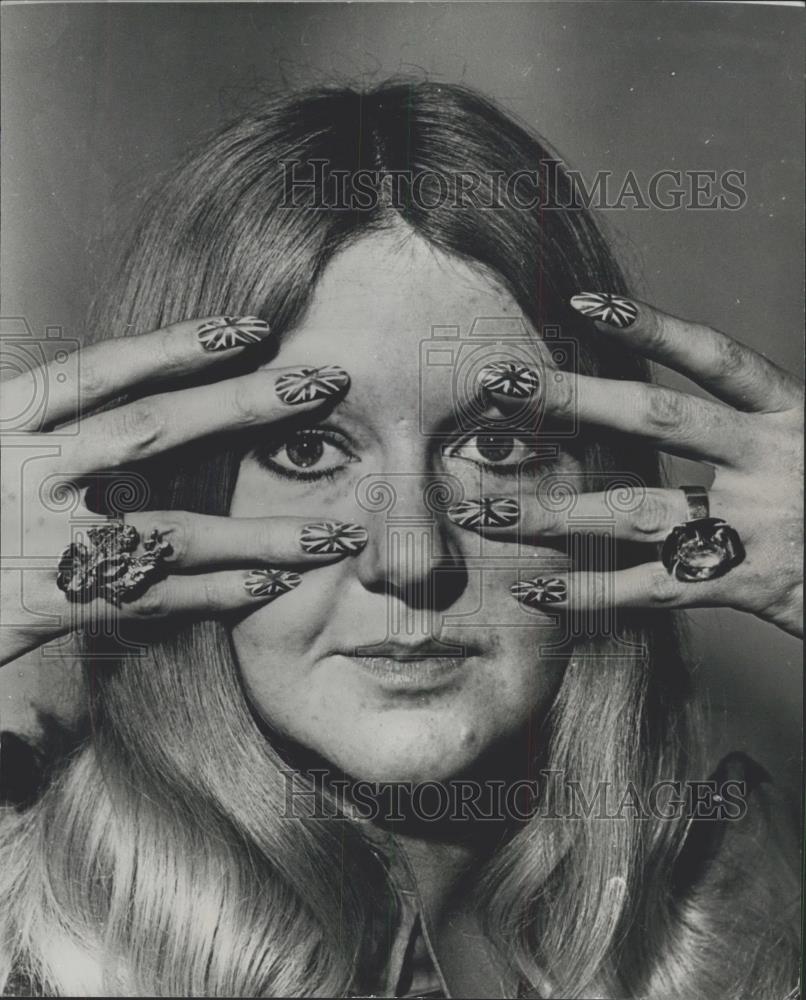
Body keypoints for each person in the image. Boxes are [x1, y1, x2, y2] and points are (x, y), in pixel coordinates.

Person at [0, 80, 801, 998]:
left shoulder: (743, 909)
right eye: (306, 448)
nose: (412, 556)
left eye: (498, 445)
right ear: (161, 502)